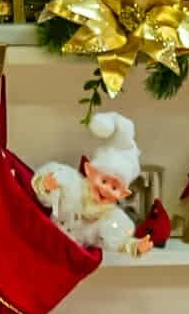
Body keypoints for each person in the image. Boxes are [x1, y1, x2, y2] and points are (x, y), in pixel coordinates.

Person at [33, 110, 151, 258]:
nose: (106, 189)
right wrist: (46, 186)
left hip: (69, 260)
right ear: (89, 171)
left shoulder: (110, 218)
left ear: (123, 194)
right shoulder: (71, 184)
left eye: (114, 187)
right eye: (103, 181)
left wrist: (135, 246)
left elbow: (118, 240)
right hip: (43, 241)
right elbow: (47, 197)